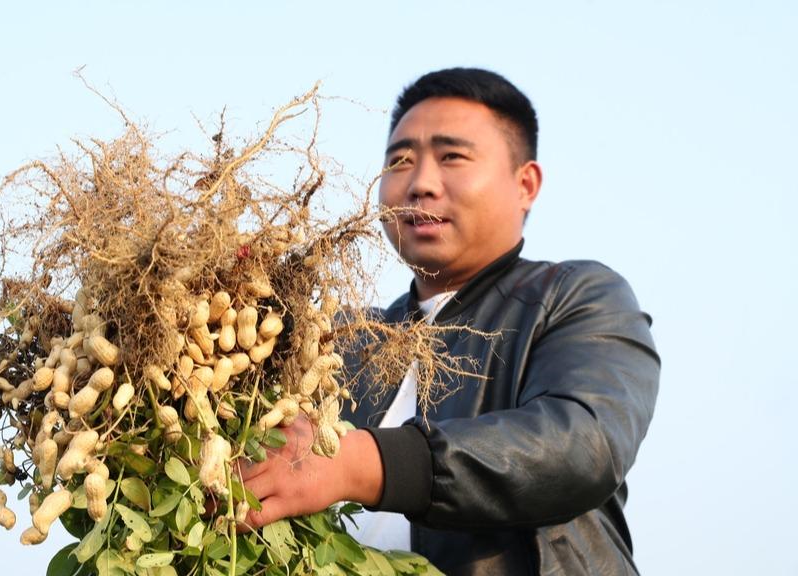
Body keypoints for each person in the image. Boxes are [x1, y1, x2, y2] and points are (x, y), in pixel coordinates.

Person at [239, 67, 660, 575]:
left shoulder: (575, 297)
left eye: (452, 157)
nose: (420, 184)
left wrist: (358, 464)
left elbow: (582, 446)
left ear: (525, 183)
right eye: (400, 160)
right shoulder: (344, 340)